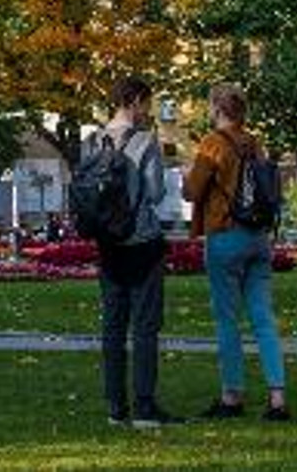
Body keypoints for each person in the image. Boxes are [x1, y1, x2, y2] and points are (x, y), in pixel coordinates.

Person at [184, 82, 290, 422]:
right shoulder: (254, 143)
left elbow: (191, 191)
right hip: (258, 237)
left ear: (216, 108)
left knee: (227, 319)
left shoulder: (212, 144)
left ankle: (232, 395)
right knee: (263, 318)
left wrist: (190, 174)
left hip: (225, 235)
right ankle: (277, 398)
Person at [92, 76, 183, 431]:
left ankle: (116, 407)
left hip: (108, 244)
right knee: (145, 326)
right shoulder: (145, 141)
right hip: (142, 242)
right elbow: (157, 192)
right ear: (134, 101)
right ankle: (145, 407)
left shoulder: (92, 141)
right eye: (146, 103)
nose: (148, 110)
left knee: (113, 326)